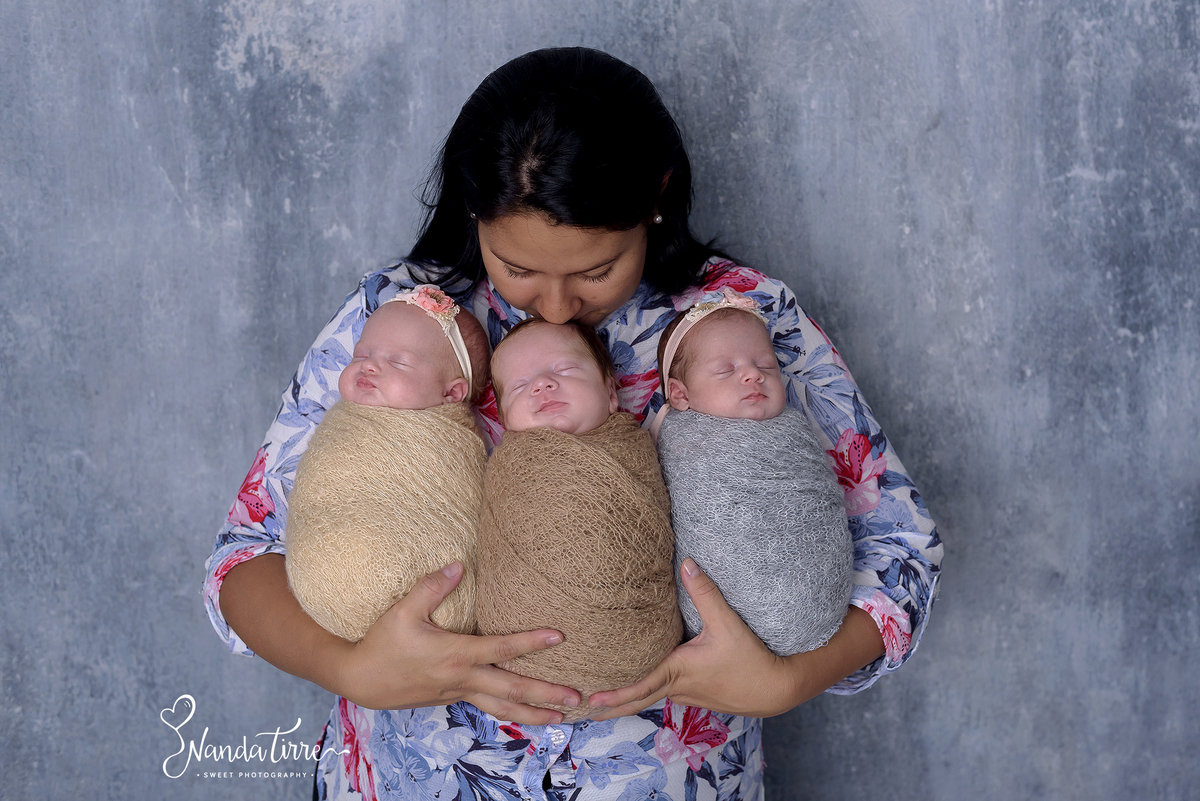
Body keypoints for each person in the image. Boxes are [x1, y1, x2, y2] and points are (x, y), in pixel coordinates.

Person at [204, 46, 943, 801]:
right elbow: (244, 555)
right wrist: (348, 669)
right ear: (472, 210)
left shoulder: (741, 325)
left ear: (656, 196)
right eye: (516, 266)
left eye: (596, 270)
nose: (553, 306)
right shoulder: (401, 323)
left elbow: (901, 553)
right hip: (415, 779)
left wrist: (786, 679)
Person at [477, 318, 681, 722]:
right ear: (503, 421)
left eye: (564, 370)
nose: (542, 385)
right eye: (520, 386)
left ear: (610, 394)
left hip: (640, 656)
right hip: (512, 659)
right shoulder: (508, 465)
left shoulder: (634, 449)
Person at [652, 289, 854, 658]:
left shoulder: (794, 431)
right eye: (726, 370)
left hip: (816, 601)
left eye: (765, 366)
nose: (752, 375)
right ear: (680, 396)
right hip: (717, 617)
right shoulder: (681, 443)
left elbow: (822, 508)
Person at [284, 286, 492, 642]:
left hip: (432, 588)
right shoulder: (347, 421)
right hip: (325, 577)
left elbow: (459, 505)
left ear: (452, 394)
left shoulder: (450, 444)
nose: (368, 364)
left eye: (397, 362)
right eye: (360, 354)